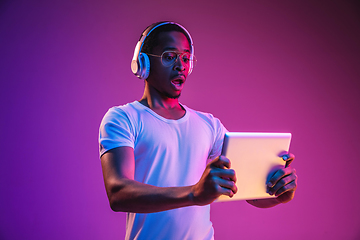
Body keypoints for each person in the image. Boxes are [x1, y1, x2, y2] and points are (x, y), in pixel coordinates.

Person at [99, 21, 298, 240]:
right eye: (169, 56)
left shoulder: (210, 125)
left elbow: (248, 192)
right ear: (143, 63)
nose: (180, 65)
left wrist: (279, 193)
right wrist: (194, 193)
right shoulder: (123, 118)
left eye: (185, 58)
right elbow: (118, 193)